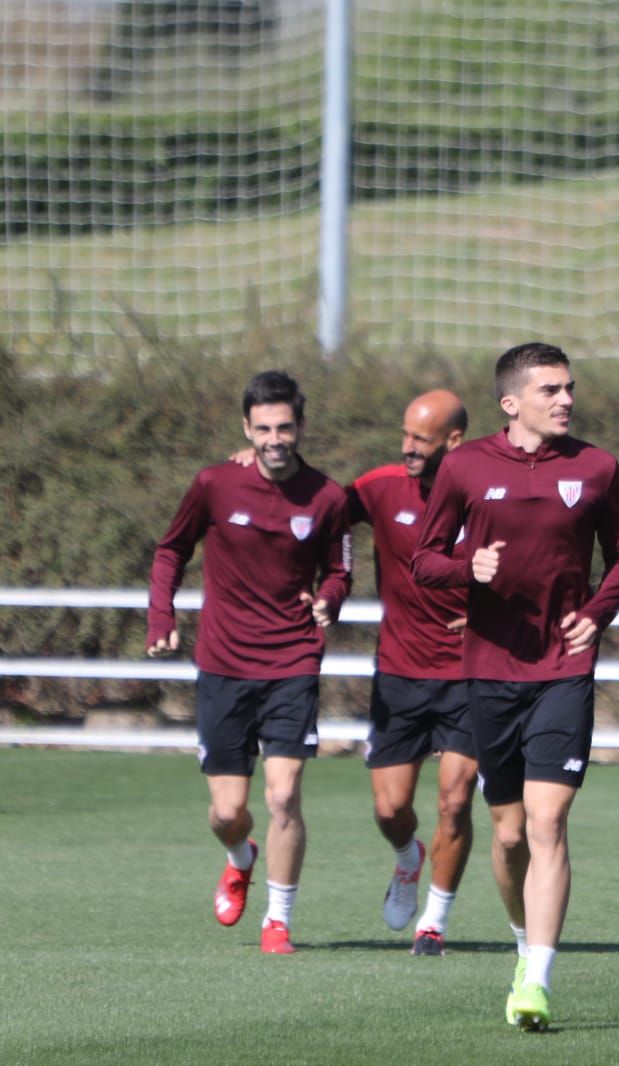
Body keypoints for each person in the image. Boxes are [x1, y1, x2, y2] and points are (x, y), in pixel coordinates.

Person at [412, 343, 619, 1031]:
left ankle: (536, 980)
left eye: (569, 387)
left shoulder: (597, 467)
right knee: (507, 835)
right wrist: (465, 567)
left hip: (564, 672)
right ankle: (523, 943)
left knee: (547, 822)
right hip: (489, 672)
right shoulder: (465, 466)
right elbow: (423, 561)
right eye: (550, 390)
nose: (565, 399)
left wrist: (596, 616)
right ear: (511, 403)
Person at [147, 369, 353, 955]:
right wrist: (161, 615)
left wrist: (330, 600)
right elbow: (171, 550)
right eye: (262, 428)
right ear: (247, 428)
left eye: (284, 426)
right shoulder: (215, 484)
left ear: (301, 426)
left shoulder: (328, 497)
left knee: (284, 797)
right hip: (223, 664)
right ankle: (240, 857)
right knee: (226, 811)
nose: (274, 438)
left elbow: (339, 570)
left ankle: (278, 920)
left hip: (292, 660)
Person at [347, 390, 476, 955]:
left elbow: (541, 560)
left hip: (470, 676)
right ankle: (407, 859)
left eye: (420, 440)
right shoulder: (379, 487)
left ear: (453, 442)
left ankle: (435, 922)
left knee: (455, 800)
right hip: (399, 674)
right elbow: (307, 508)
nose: (407, 449)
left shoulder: (488, 494)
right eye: (405, 435)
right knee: (389, 808)